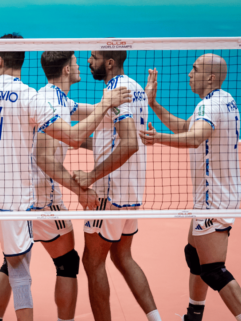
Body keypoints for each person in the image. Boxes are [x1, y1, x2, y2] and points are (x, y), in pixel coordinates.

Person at [0, 33, 131, 321]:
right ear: (22, 59)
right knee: (18, 270)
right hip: (13, 201)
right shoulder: (31, 97)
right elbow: (76, 136)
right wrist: (107, 104)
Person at [0, 51, 132, 321]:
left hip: (19, 194)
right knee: (66, 264)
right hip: (40, 198)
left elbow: (83, 116)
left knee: (13, 263)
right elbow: (45, 158)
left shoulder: (55, 97)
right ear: (67, 69)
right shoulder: (52, 102)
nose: (81, 66)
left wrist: (129, 105)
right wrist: (80, 189)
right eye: (77, 63)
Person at [140, 54, 241, 321]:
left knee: (214, 269)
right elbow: (186, 127)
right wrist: (154, 104)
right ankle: (193, 316)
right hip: (217, 195)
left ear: (210, 77)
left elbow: (194, 138)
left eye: (195, 69)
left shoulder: (210, 106)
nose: (189, 74)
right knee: (194, 255)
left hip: (213, 199)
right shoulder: (221, 100)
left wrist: (157, 138)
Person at [71, 50, 160, 321]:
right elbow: (113, 138)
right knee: (123, 257)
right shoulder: (134, 88)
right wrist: (67, 137)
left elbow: (130, 143)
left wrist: (91, 177)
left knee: (92, 262)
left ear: (109, 63)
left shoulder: (116, 88)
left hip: (110, 193)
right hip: (131, 189)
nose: (88, 61)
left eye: (94, 57)